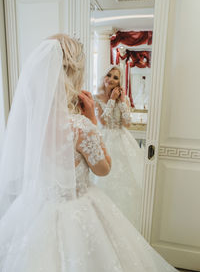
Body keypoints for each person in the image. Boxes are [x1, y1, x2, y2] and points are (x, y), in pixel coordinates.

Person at [0, 34, 178, 271]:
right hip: (78, 211)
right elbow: (103, 169)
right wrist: (92, 119)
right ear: (73, 74)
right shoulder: (79, 126)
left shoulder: (30, 125)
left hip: (35, 209)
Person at [93, 65, 144, 228]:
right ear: (103, 76)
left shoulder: (124, 98)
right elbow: (103, 121)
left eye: (116, 77)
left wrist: (122, 102)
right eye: (109, 75)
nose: (111, 79)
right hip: (105, 138)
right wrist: (111, 101)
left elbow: (127, 123)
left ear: (119, 82)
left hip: (123, 140)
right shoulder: (96, 98)